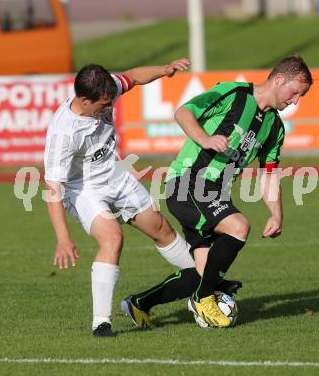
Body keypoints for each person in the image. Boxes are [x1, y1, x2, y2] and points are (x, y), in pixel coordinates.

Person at [121, 55, 313, 328]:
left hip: (214, 194)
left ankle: (139, 304)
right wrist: (205, 139)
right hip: (188, 183)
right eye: (295, 93)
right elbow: (183, 112)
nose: (295, 101)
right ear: (279, 79)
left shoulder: (275, 128)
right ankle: (204, 299)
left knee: (202, 273)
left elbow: (269, 173)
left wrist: (276, 214)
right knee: (238, 226)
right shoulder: (233, 93)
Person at [44, 59, 201, 337]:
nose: (108, 108)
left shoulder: (106, 89)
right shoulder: (63, 133)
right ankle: (101, 322)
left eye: (110, 102)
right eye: (103, 105)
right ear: (84, 100)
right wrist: (62, 238)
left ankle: (204, 285)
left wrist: (164, 70)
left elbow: (134, 76)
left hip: (116, 175)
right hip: (83, 189)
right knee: (113, 238)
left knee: (160, 228)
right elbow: (53, 187)